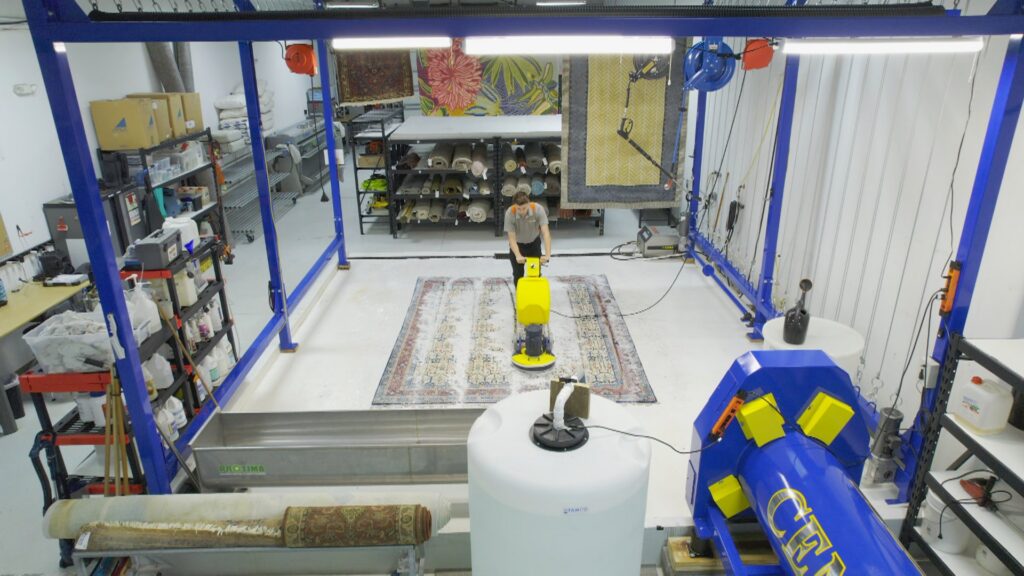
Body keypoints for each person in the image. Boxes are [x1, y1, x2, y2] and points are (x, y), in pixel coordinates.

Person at [504, 191, 551, 286]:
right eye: (518, 209)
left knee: (535, 274)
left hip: (534, 244)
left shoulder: (538, 209)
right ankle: (520, 296)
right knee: (518, 275)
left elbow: (546, 233)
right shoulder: (510, 213)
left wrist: (547, 255)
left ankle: (533, 296)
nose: (521, 211)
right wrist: (517, 255)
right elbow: (511, 238)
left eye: (524, 208)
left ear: (529, 204)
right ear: (514, 206)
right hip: (517, 246)